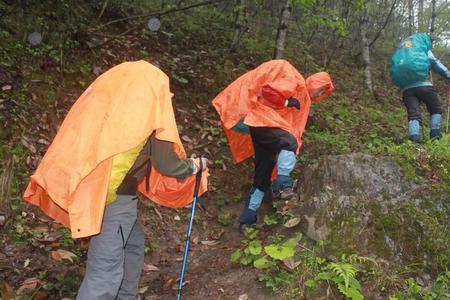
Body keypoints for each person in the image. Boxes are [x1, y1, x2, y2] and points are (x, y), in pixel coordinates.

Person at [23, 61, 208, 299]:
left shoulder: (114, 109)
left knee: (132, 244)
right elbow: (167, 164)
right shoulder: (150, 114)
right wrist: (195, 165)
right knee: (104, 274)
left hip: (96, 189)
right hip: (115, 200)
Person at [212, 59, 334, 229]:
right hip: (255, 118)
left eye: (323, 91)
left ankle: (248, 219)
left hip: (261, 126)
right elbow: (268, 91)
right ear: (315, 82)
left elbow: (289, 127)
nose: (319, 93)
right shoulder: (295, 80)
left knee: (263, 175)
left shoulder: (304, 100)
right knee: (287, 142)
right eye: (321, 88)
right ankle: (283, 187)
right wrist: (287, 102)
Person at [391, 33, 450, 143]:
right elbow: (436, 64)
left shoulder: (403, 50)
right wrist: (448, 75)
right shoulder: (423, 50)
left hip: (407, 89)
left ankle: (414, 140)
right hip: (424, 85)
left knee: (413, 115)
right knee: (435, 110)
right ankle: (435, 137)